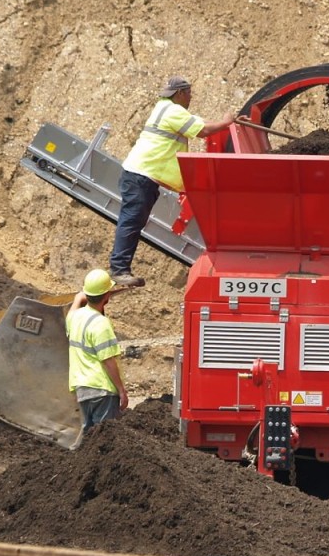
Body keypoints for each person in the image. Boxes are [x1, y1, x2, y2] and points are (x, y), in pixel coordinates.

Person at [109, 76, 235, 286]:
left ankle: (120, 268)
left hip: (142, 175)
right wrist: (226, 123)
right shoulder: (173, 111)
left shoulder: (166, 108)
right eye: (189, 94)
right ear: (180, 93)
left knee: (133, 222)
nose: (191, 98)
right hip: (141, 175)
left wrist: (227, 122)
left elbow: (200, 122)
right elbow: (203, 131)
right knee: (130, 222)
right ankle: (119, 269)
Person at [66, 268, 129, 433]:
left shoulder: (74, 318)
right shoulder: (100, 323)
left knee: (89, 439)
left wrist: (77, 299)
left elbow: (72, 311)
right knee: (105, 437)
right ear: (107, 296)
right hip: (102, 390)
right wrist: (121, 390)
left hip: (82, 389)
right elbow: (108, 361)